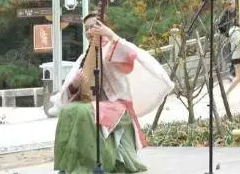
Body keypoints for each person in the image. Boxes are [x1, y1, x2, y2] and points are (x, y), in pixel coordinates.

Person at [50, 14, 174, 174]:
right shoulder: (84, 57)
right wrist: (75, 84)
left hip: (118, 106)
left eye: (93, 26)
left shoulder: (114, 47)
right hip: (96, 105)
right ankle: (70, 165)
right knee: (68, 111)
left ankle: (94, 164)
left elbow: (131, 54)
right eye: (86, 28)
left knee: (83, 112)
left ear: (103, 26)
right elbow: (71, 90)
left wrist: (110, 34)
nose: (89, 31)